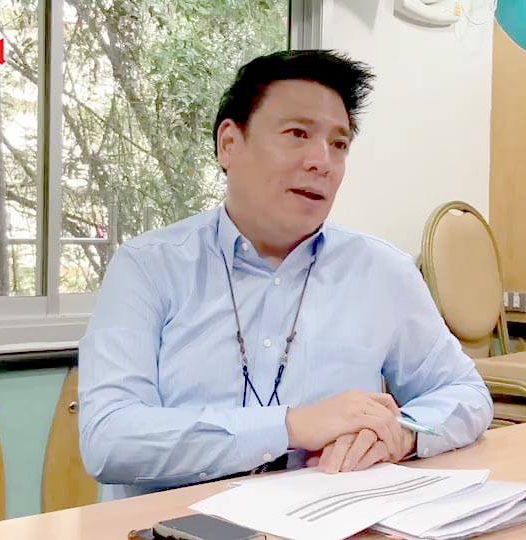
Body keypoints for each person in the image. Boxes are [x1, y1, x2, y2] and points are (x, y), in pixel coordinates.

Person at [78, 49, 492, 495]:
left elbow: (465, 391)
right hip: (178, 520)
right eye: (298, 133)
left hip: (331, 515)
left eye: (339, 144)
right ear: (229, 144)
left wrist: (403, 432)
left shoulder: (383, 271)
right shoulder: (148, 266)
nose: (322, 162)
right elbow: (109, 439)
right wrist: (291, 426)